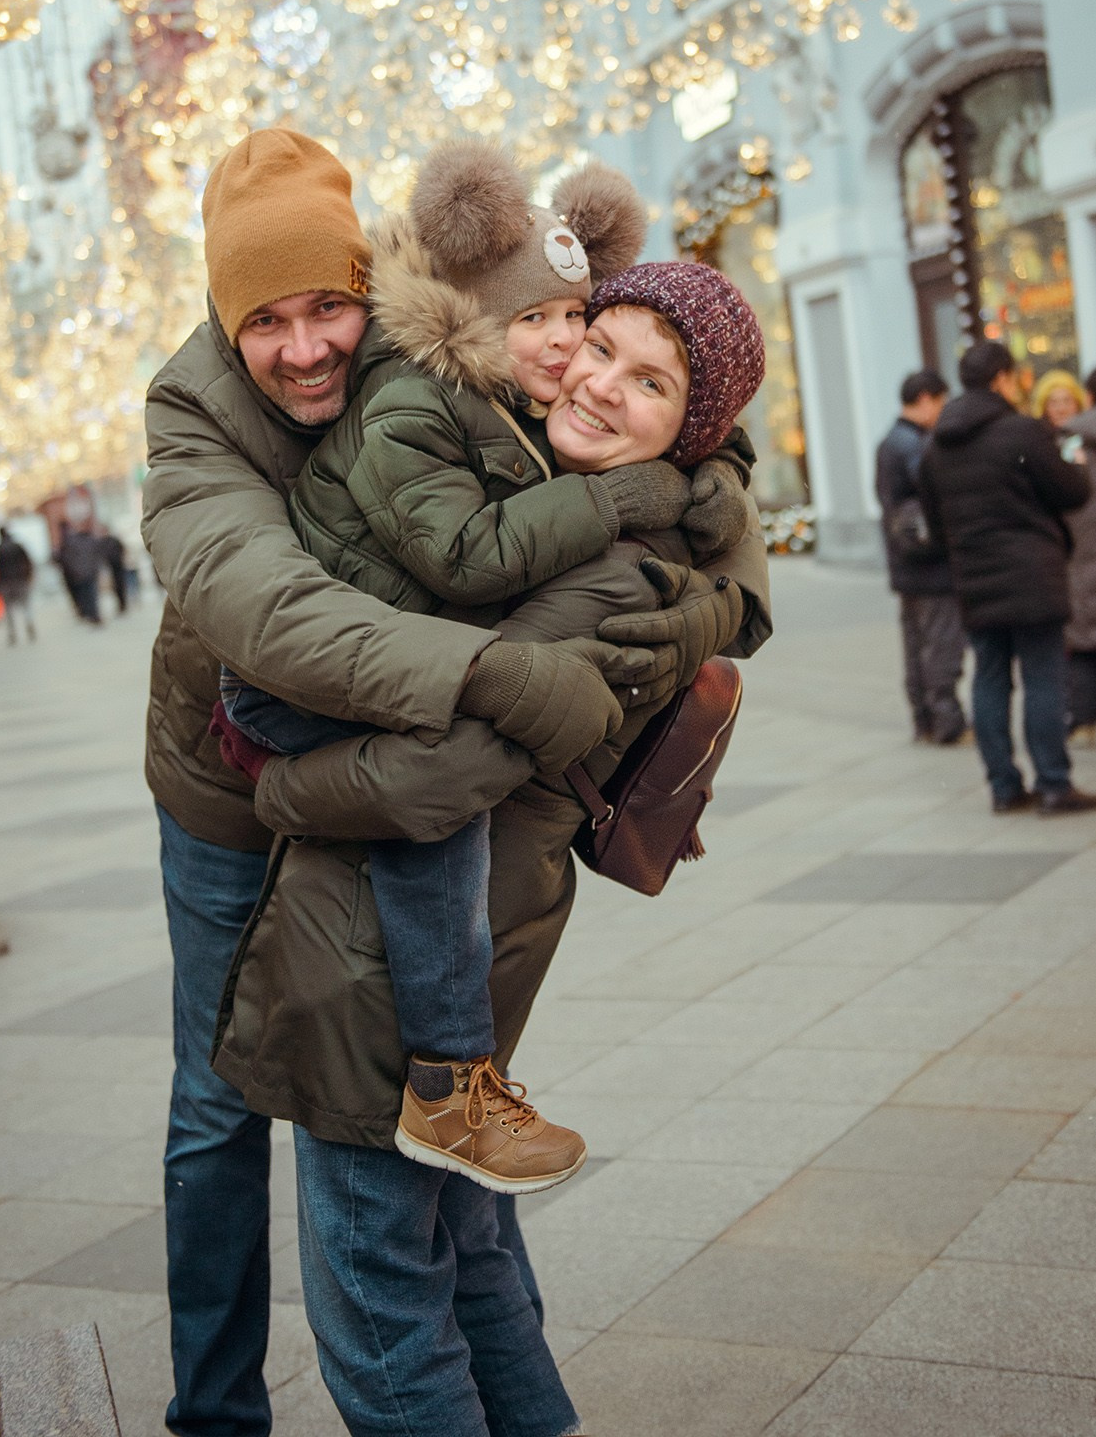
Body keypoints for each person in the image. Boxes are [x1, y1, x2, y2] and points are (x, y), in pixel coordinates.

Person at [140, 126, 768, 1437]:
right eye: (269, 321)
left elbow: (676, 404)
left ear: (371, 289)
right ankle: (214, 1414)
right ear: (223, 315)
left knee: (417, 1187)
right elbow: (271, 613)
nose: (307, 345)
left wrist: (715, 608)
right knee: (219, 1108)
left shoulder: (443, 338)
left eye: (328, 307)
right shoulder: (194, 406)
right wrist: (499, 679)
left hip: (398, 791)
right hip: (235, 771)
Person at [218, 142, 762, 1195]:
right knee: (438, 838)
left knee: (423, 1236)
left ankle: (455, 1080)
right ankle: (448, 1079)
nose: (574, 361)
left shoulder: (526, 421)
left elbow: (696, 459)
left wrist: (715, 577)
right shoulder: (432, 406)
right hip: (313, 694)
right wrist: (289, 791)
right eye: (549, 328)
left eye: (582, 326)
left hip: (401, 746)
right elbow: (465, 568)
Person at [919, 339, 1095, 814]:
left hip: (973, 580)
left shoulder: (937, 444)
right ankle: (1055, 784)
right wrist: (1076, 469)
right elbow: (1070, 492)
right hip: (1032, 575)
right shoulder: (1022, 432)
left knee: (990, 678)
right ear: (1001, 378)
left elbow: (934, 525)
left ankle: (1003, 787)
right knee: (1042, 676)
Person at [874, 368, 968, 745]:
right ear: (927, 398)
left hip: (904, 561)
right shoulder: (916, 445)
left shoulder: (888, 442)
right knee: (941, 643)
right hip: (929, 562)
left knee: (915, 646)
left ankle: (924, 720)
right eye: (942, 402)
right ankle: (948, 722)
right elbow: (937, 494)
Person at [1031, 367, 1096, 738]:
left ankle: (1084, 719)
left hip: (1076, 545)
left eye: (1065, 400)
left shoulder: (1066, 442)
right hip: (1080, 549)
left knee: (1081, 637)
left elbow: (1065, 490)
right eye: (1053, 402)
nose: (1060, 408)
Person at [0, 525, 36, 645]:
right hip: (21, 580)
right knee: (26, 606)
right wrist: (29, 576)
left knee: (9, 609)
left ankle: (12, 633)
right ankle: (29, 623)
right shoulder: (17, 546)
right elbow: (28, 561)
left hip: (5, 582)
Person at [55, 522, 103, 624]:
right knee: (90, 594)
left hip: (80, 573)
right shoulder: (87, 540)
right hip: (86, 572)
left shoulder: (71, 542)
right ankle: (92, 614)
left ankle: (91, 614)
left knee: (87, 594)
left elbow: (66, 558)